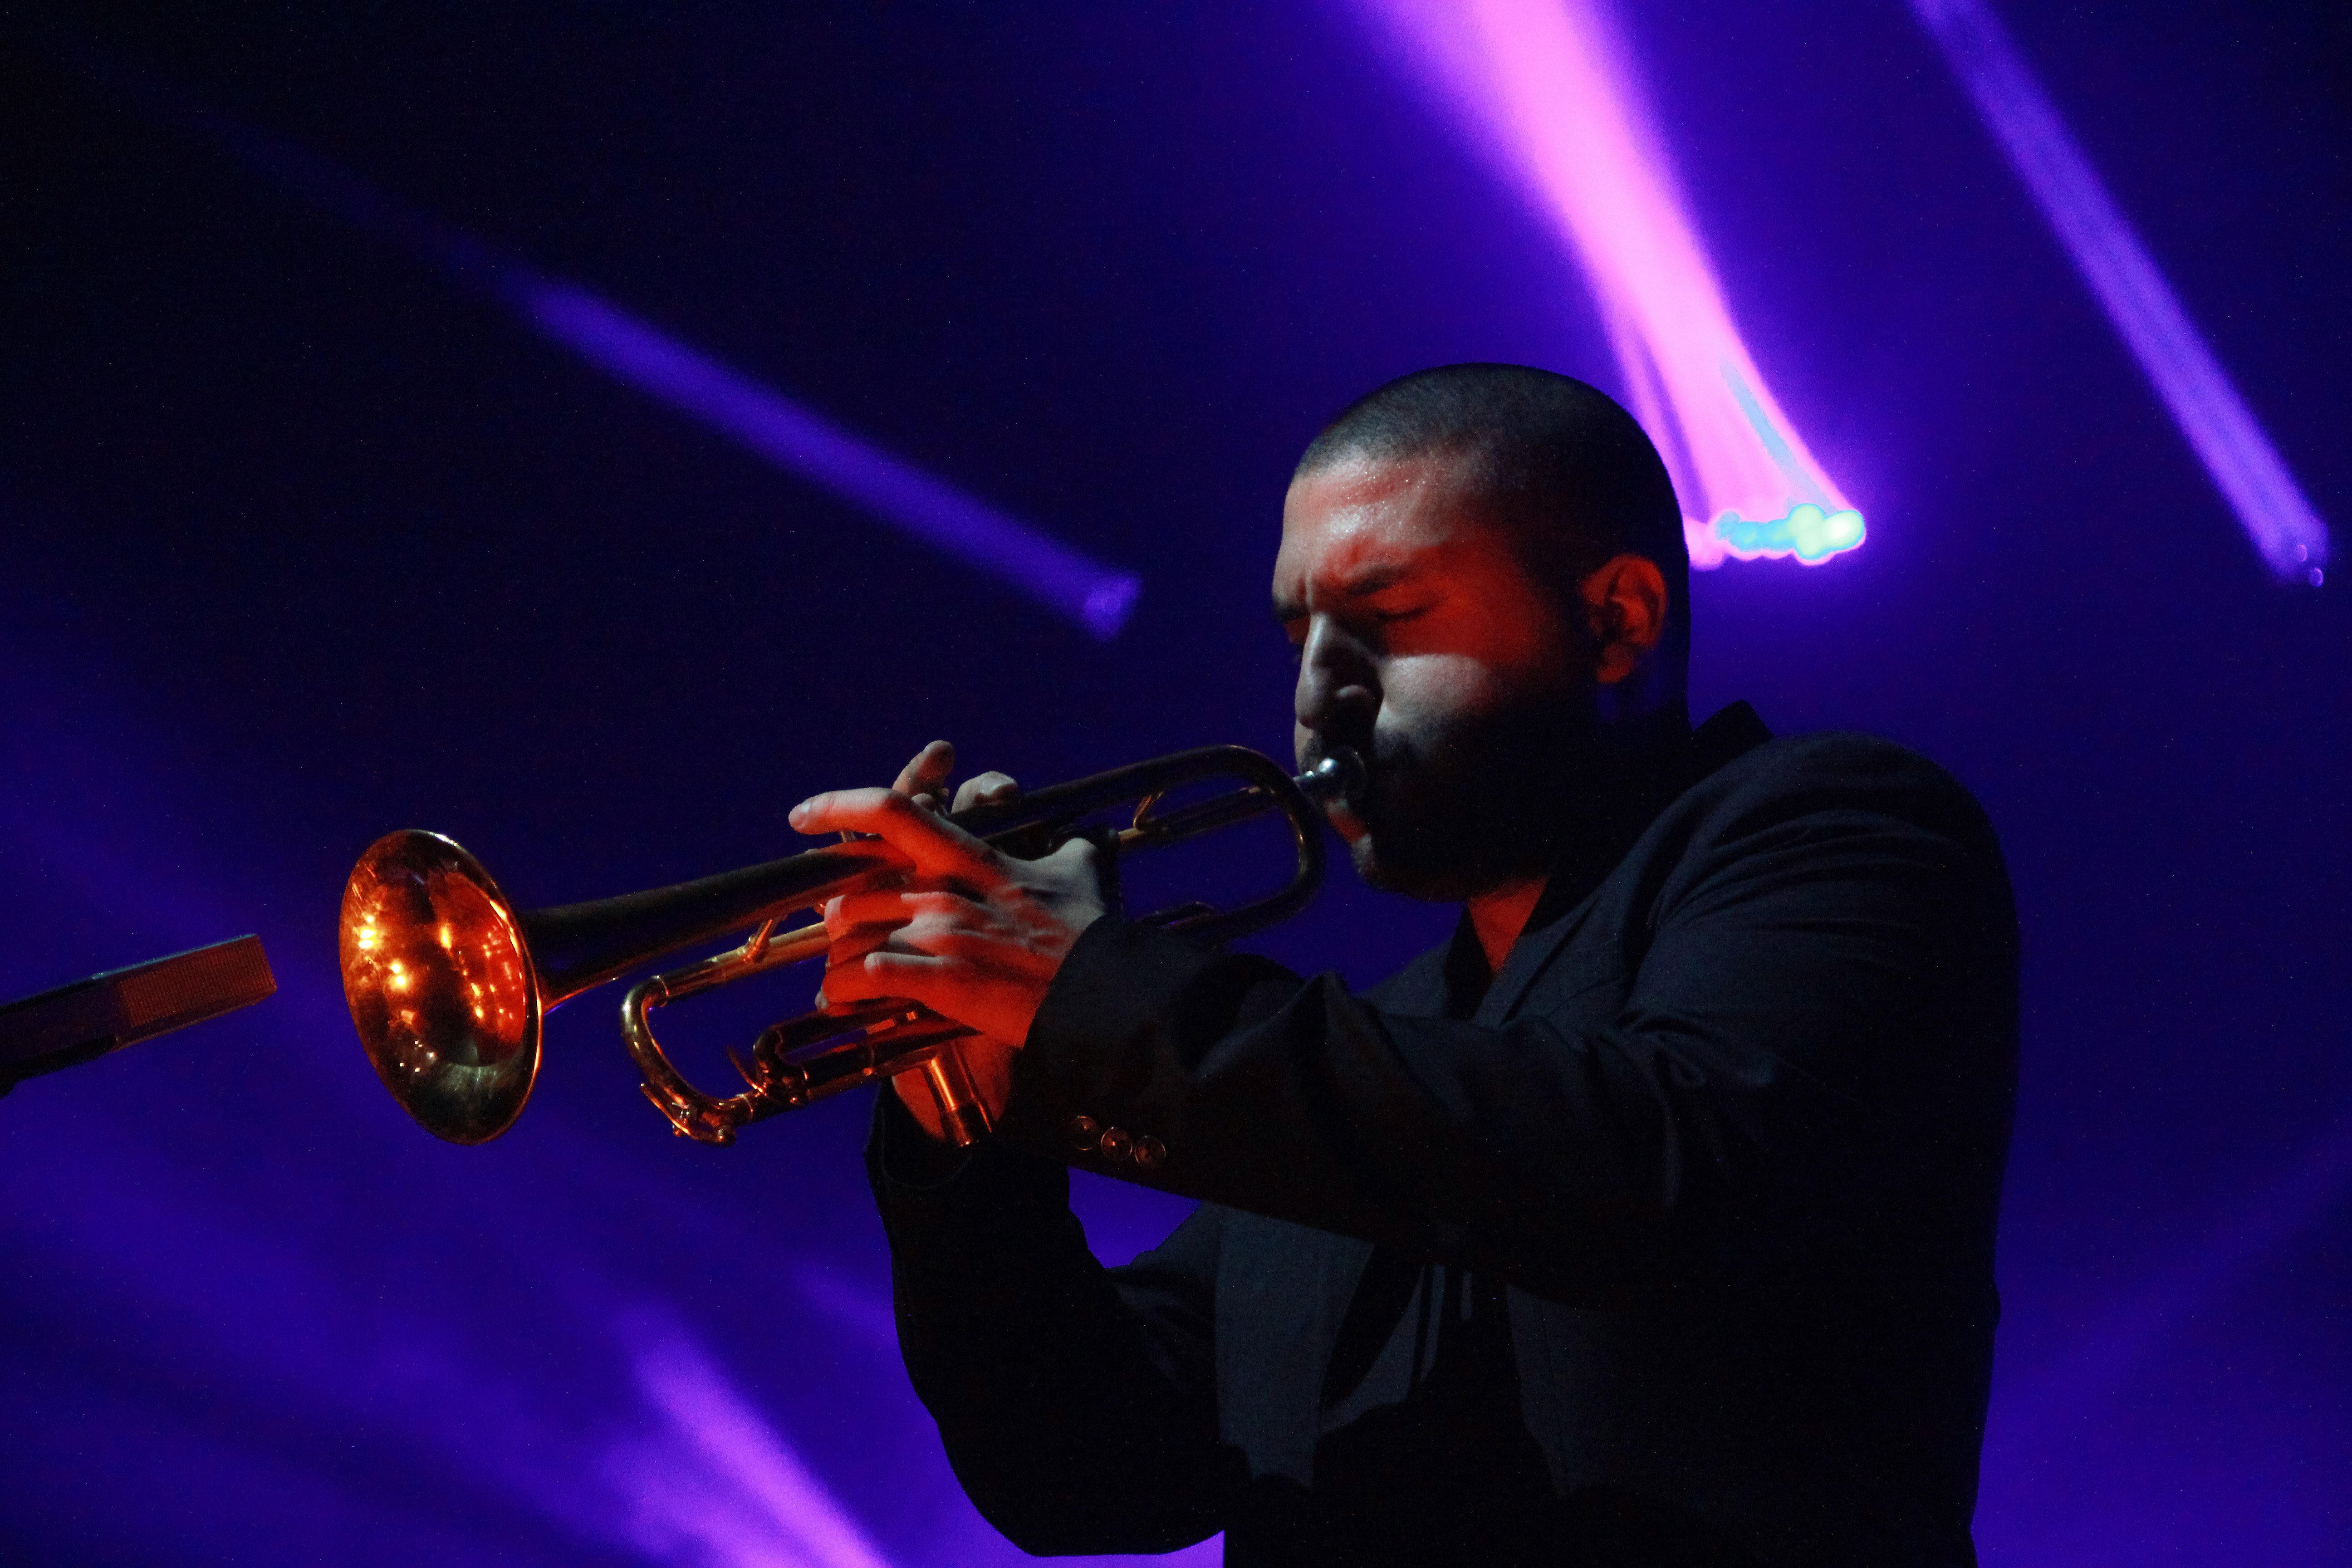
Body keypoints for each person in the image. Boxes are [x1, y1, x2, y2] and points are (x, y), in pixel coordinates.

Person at [789, 364, 2018, 1567]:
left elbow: (1662, 1165)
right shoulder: (1365, 1064)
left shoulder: (1835, 827)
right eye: (1300, 635)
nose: (1318, 694)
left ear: (1616, 621)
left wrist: (1094, 990)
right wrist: (970, 1102)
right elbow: (1085, 1474)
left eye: (1387, 620)